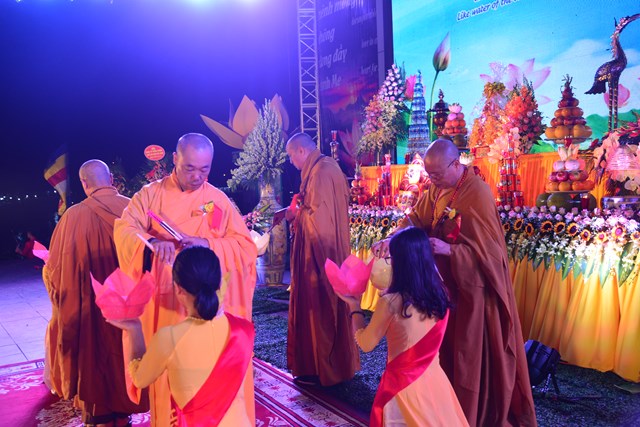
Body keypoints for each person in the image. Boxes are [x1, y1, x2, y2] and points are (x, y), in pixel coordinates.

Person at [373, 139, 537, 427]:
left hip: (472, 292)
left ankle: (469, 415)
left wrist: (451, 250)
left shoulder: (477, 193)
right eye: (430, 175)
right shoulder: (436, 189)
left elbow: (492, 256)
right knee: (440, 354)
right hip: (439, 290)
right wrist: (392, 238)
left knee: (466, 356)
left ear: (455, 163)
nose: (432, 180)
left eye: (437, 174)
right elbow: (415, 219)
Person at [114, 133, 257, 426]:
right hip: (166, 302)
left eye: (204, 169)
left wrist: (207, 243)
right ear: (174, 159)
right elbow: (124, 230)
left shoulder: (216, 200)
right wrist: (152, 242)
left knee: (215, 374)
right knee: (167, 372)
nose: (197, 177)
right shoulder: (149, 196)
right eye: (190, 168)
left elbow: (245, 247)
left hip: (206, 305)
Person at [42, 159, 148, 427]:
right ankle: (124, 412)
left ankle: (99, 416)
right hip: (130, 308)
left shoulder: (72, 217)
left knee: (94, 357)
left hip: (90, 310)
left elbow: (55, 270)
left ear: (84, 184)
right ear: (111, 179)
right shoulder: (132, 209)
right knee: (126, 354)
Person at [108, 246, 255, 427]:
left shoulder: (169, 338)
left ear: (178, 289)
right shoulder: (244, 330)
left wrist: (135, 330)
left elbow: (139, 379)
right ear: (219, 283)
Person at [339, 227, 469, 427]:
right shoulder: (441, 295)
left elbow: (366, 343)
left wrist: (354, 306)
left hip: (402, 388)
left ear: (400, 262)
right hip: (435, 383)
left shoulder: (391, 301)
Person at [285, 132, 360, 386]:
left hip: (321, 254)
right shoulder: (325, 167)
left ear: (301, 151)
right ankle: (323, 365)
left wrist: (295, 215)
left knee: (320, 306)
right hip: (327, 250)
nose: (291, 162)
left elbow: (319, 220)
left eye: (291, 156)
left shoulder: (321, 172)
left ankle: (323, 368)